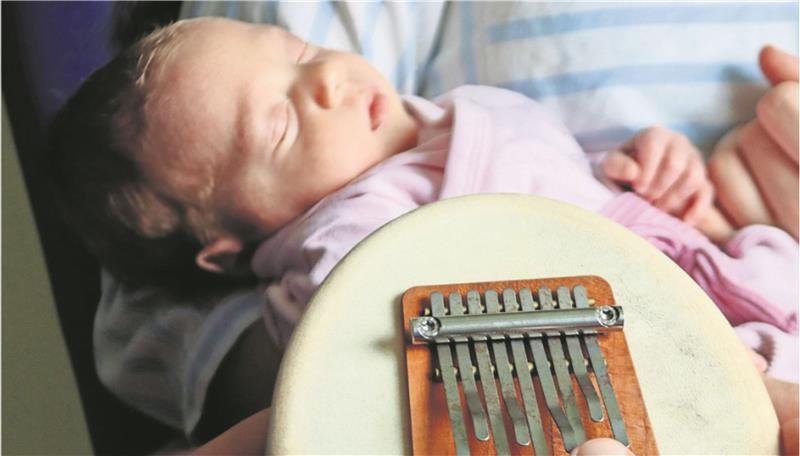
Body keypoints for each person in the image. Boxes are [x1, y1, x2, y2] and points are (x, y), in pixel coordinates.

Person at [48, 17, 797, 448]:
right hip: (635, 342)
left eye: (299, 53)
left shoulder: (443, 113)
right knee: (740, 400)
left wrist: (644, 163)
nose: (326, 84)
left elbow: (569, 174)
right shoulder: (351, 236)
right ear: (233, 242)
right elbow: (361, 359)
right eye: (278, 125)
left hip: (708, 264)